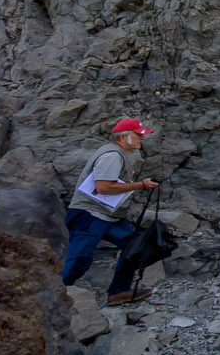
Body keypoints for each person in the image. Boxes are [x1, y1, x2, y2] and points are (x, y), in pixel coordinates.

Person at [60, 118, 160, 304]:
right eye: (138, 135)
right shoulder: (112, 155)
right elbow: (103, 187)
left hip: (105, 215)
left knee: (135, 246)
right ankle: (53, 297)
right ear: (123, 137)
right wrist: (140, 185)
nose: (142, 139)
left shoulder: (114, 153)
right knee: (78, 261)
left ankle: (119, 291)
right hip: (89, 215)